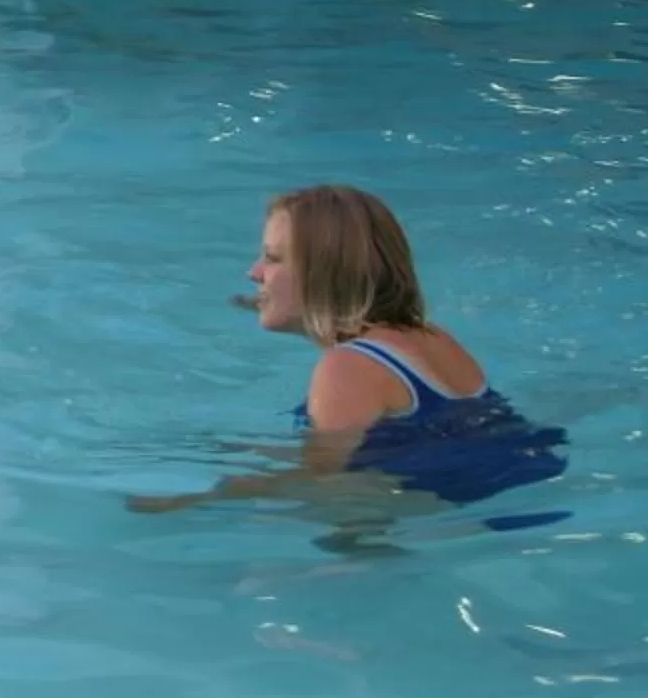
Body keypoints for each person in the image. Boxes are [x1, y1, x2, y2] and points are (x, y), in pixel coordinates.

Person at [131, 185, 567, 530]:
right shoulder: (428, 336)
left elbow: (322, 482)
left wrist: (196, 501)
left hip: (475, 526)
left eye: (273, 258)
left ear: (324, 278)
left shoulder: (346, 368)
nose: (254, 272)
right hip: (533, 496)